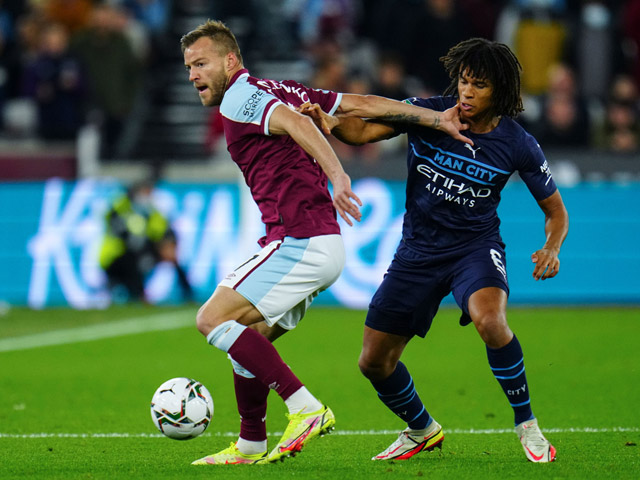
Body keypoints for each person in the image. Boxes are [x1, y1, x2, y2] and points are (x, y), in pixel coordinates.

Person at [180, 19, 471, 466]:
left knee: (211, 319)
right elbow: (366, 104)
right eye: (188, 67)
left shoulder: (241, 95)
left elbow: (298, 124)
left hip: (301, 238)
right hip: (317, 244)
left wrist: (338, 175)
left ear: (231, 60)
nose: (193, 74)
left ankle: (305, 407)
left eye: (201, 63)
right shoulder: (287, 89)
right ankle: (250, 443)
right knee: (250, 339)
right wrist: (435, 118)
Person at [300, 37, 569, 463]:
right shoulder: (428, 113)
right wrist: (327, 125)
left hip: (474, 249)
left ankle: (527, 425)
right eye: (463, 81)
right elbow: (363, 131)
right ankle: (422, 428)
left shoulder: (518, 144)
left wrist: (552, 247)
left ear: (499, 90)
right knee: (373, 362)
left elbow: (556, 212)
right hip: (417, 253)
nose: (466, 92)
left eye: (478, 85)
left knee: (490, 320)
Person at [99, 181, 193, 303]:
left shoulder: (150, 212)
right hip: (114, 256)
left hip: (141, 251)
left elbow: (165, 229)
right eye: (146, 193)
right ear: (136, 193)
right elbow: (123, 235)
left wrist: (167, 244)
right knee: (132, 260)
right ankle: (140, 296)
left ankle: (188, 294)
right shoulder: (120, 209)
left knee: (170, 256)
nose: (148, 197)